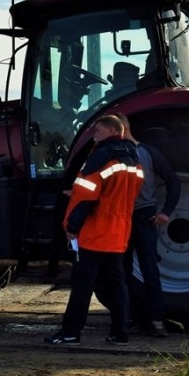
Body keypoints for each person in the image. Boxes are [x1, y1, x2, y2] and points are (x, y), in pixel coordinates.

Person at [46, 114, 143, 346]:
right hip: (119, 233)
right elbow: (129, 192)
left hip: (95, 233)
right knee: (118, 284)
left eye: (97, 130)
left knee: (82, 285)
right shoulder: (132, 157)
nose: (94, 135)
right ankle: (120, 334)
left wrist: (71, 226)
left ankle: (70, 332)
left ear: (111, 130)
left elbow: (88, 195)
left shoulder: (100, 155)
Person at [121, 115, 180, 338]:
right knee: (123, 272)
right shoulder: (115, 154)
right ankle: (134, 319)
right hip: (122, 218)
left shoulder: (146, 152)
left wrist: (165, 212)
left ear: (122, 129)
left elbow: (173, 180)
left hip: (143, 217)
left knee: (149, 271)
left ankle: (156, 320)